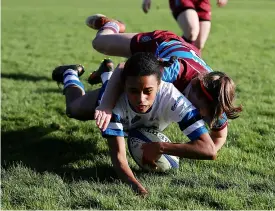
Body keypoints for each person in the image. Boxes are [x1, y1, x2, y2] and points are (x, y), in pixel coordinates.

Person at [52, 52, 220, 196]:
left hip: (138, 108)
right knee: (73, 110)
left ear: (160, 85)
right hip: (111, 99)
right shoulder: (113, 105)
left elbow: (209, 150)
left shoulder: (174, 99)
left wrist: (161, 147)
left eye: (148, 91)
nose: (141, 99)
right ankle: (70, 73)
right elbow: (119, 157)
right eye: (133, 91)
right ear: (123, 86)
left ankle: (106, 73)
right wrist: (136, 186)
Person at [85, 14, 242, 152]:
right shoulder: (173, 72)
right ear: (194, 88)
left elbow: (218, 137)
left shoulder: (215, 104)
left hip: (186, 52)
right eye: (200, 110)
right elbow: (123, 69)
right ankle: (113, 25)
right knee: (100, 43)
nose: (202, 115)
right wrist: (105, 105)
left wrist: (191, 151)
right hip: (160, 43)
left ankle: (103, 73)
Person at [142, 0, 229, 56]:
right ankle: (168, 56)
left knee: (198, 44)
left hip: (202, 2)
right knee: (192, 31)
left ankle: (192, 74)